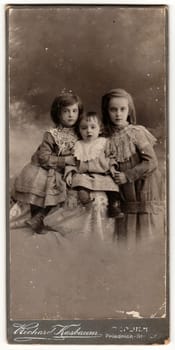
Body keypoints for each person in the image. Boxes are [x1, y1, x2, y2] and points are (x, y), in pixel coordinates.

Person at [12, 90, 84, 233]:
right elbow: (43, 158)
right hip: (44, 167)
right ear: (58, 114)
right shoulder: (51, 134)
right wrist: (65, 160)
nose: (71, 115)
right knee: (42, 185)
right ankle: (36, 218)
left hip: (64, 170)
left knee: (63, 187)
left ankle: (39, 218)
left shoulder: (80, 131)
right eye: (66, 111)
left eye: (74, 111)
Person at [101, 88, 163, 239]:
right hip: (122, 196)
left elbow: (151, 162)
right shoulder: (104, 137)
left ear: (129, 110)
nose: (118, 113)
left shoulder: (136, 133)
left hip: (141, 188)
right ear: (106, 111)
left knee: (144, 233)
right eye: (113, 109)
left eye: (123, 109)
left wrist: (127, 175)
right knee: (125, 235)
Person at [64, 111, 124, 218]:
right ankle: (86, 202)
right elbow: (72, 162)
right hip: (84, 176)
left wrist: (113, 167)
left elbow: (111, 157)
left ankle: (113, 207)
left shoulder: (104, 143)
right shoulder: (78, 145)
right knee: (80, 186)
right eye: (84, 128)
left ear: (100, 129)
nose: (88, 131)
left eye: (92, 127)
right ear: (79, 130)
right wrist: (69, 173)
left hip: (102, 175)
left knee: (113, 188)